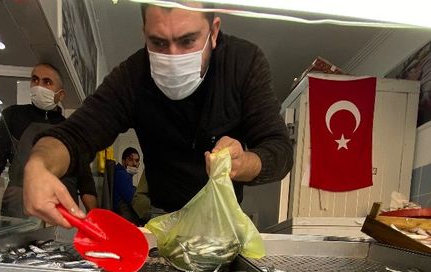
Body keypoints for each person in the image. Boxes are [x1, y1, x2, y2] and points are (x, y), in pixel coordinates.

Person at [22, 2, 292, 227]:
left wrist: (244, 163)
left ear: (214, 31)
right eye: (159, 43)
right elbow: (74, 135)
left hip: (224, 221)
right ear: (145, 33)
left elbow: (279, 150)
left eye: (188, 41)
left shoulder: (243, 63)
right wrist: (38, 166)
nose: (173, 56)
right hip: (163, 217)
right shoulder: (132, 76)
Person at [0, 63, 97, 227]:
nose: (39, 86)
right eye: (35, 80)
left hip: (63, 216)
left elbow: (86, 181)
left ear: (60, 94)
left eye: (47, 82)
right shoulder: (13, 116)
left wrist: (93, 218)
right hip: (19, 210)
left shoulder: (71, 129)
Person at [113, 147, 141, 221]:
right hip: (122, 218)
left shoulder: (123, 174)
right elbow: (132, 199)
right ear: (123, 161)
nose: (134, 163)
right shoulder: (122, 174)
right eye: (130, 160)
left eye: (137, 161)